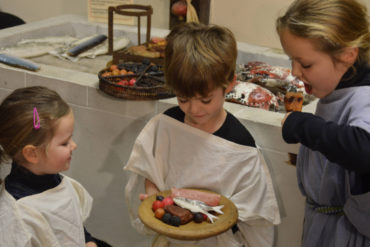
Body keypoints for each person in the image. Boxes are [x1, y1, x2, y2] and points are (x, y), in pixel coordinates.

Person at [124, 22, 280, 247]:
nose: (194, 110)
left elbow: (257, 219)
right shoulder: (166, 124)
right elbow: (152, 170)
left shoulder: (241, 146)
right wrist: (154, 196)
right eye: (183, 98)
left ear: (229, 85)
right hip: (171, 239)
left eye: (205, 100)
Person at [276, 0, 370, 246]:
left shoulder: (364, 96)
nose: (295, 71)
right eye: (291, 60)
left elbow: (364, 147)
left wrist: (301, 125)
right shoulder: (338, 85)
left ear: (348, 55)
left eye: (305, 64)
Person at [0, 86, 99, 247]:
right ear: (32, 154)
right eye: (65, 142)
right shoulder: (17, 216)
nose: (74, 145)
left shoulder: (57, 182)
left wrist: (88, 241)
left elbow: (72, 226)